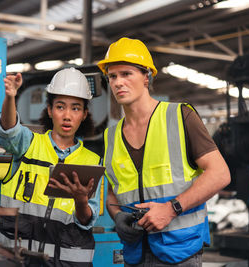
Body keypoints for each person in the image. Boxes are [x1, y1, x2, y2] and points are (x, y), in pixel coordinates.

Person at [97, 37, 231, 266]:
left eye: (126, 74)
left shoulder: (180, 116)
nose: (118, 82)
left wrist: (171, 209)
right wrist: (117, 215)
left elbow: (220, 174)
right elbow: (111, 191)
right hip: (134, 253)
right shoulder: (111, 136)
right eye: (112, 76)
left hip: (181, 251)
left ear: (146, 76)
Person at [0, 67, 102, 267]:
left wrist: (81, 201)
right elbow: (8, 131)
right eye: (61, 107)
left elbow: (87, 220)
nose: (68, 115)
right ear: (50, 110)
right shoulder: (29, 144)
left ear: (85, 114)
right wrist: (10, 97)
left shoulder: (92, 161)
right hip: (20, 260)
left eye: (76, 108)